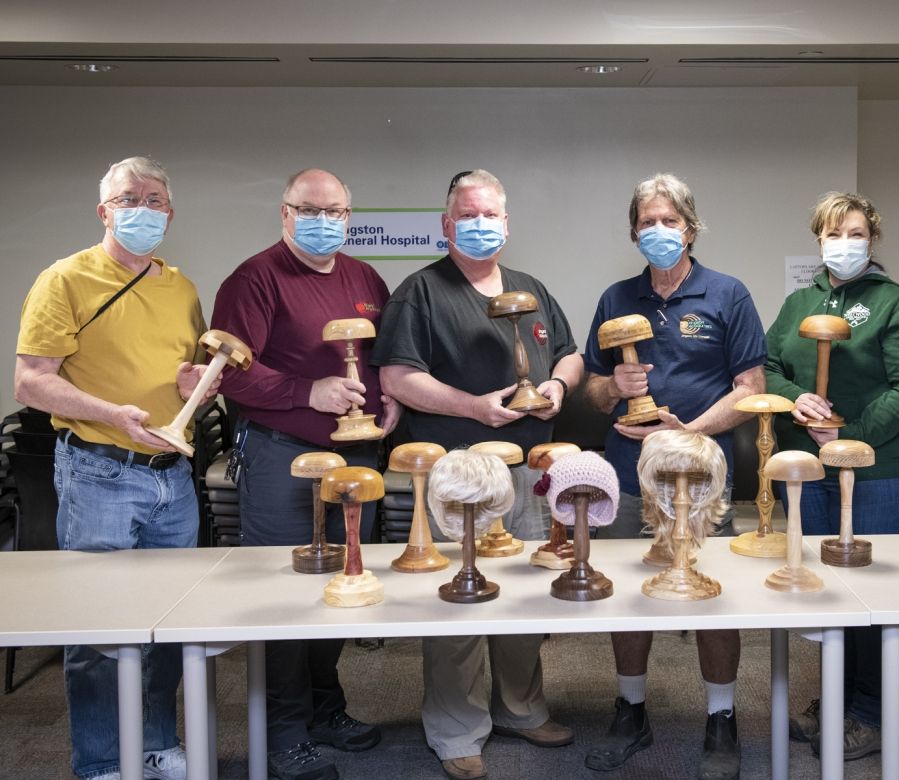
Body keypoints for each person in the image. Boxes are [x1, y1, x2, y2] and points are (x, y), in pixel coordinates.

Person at [373, 169, 583, 780]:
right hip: (456, 475)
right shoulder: (421, 292)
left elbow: (569, 352)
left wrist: (555, 386)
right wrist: (473, 407)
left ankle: (522, 709)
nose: (480, 224)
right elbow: (396, 378)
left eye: (491, 215)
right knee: (458, 603)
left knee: (519, 595)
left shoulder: (530, 287)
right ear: (446, 225)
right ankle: (456, 729)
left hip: (527, 474)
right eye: (468, 215)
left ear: (507, 223)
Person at [14, 156, 219, 780]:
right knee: (100, 627)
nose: (145, 209)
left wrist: (195, 387)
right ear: (104, 210)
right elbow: (30, 382)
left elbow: (193, 376)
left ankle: (155, 742)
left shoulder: (180, 287)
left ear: (170, 213)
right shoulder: (65, 278)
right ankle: (102, 761)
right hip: (98, 471)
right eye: (130, 198)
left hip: (171, 475)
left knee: (167, 620)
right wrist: (112, 413)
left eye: (155, 199)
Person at [581, 173, 766, 780]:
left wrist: (691, 433)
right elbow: (591, 385)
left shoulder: (727, 294)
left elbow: (750, 390)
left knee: (716, 600)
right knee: (633, 595)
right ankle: (631, 710)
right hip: (629, 474)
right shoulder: (615, 298)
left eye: (669, 221)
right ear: (633, 230)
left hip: (701, 474)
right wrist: (614, 387)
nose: (658, 231)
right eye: (646, 222)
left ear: (690, 225)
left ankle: (721, 718)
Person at [211, 168, 394, 780]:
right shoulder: (254, 278)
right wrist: (304, 391)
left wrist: (390, 396)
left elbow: (382, 354)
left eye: (336, 211)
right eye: (309, 210)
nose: (324, 221)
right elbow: (227, 372)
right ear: (284, 213)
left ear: (350, 215)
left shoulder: (365, 277)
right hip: (281, 457)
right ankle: (282, 731)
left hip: (356, 457)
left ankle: (323, 708)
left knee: (341, 583)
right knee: (285, 594)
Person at [764, 191, 899, 760]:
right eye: (833, 234)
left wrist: (850, 432)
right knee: (825, 591)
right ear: (818, 239)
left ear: (873, 238)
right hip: (809, 472)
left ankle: (870, 713)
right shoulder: (797, 305)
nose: (844, 244)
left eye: (856, 233)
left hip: (880, 473)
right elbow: (767, 368)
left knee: (871, 595)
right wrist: (797, 402)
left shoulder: (897, 304)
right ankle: (834, 701)